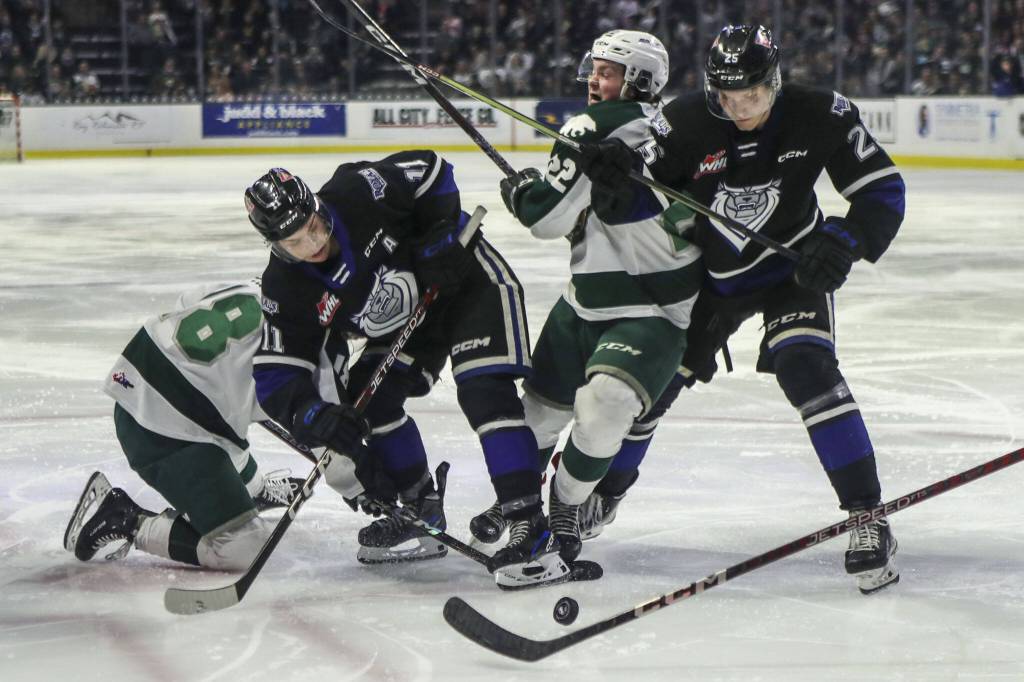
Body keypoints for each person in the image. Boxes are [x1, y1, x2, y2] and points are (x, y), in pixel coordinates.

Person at [581, 24, 906, 594]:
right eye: (728, 97)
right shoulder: (683, 122)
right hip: (713, 281)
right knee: (655, 385)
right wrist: (613, 178)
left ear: (773, 82)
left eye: (752, 95)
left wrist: (845, 240)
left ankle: (867, 514)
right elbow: (639, 189)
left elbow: (881, 191)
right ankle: (605, 494)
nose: (741, 108)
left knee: (807, 369)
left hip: (793, 271)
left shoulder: (821, 112)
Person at [244, 152, 561, 588]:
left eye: (314, 226)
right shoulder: (286, 287)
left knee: (484, 391)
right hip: (410, 321)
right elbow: (277, 372)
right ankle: (420, 509)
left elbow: (432, 170)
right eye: (294, 243)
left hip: (468, 282)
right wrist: (312, 415)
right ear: (275, 246)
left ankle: (530, 525)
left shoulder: (357, 190)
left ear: (317, 205)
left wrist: (439, 232)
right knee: (370, 403)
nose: (312, 244)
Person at [485, 29, 702, 563]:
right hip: (590, 298)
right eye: (595, 70)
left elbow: (546, 219)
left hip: (648, 309)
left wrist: (524, 195)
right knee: (544, 413)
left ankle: (563, 509)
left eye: (607, 73)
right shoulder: (673, 128)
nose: (593, 82)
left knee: (602, 406)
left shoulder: (596, 125)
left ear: (640, 81)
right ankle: (526, 506)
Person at [64, 282, 306, 570]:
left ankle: (254, 489)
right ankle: (127, 519)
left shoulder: (260, 286)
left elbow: (186, 302)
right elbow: (331, 449)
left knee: (223, 407)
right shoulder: (310, 352)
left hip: (146, 381)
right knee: (246, 548)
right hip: (161, 430)